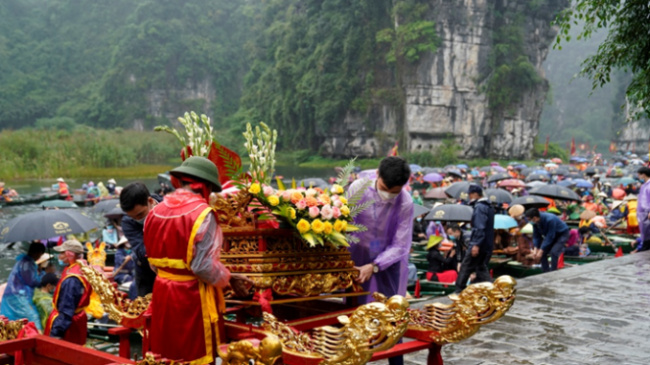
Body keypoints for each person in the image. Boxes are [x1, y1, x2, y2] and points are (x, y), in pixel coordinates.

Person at [144, 156, 251, 364]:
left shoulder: (155, 211)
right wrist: (229, 278)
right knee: (193, 354)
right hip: (190, 297)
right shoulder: (203, 213)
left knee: (166, 354)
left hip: (162, 292)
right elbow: (202, 266)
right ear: (207, 186)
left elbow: (152, 262)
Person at [346, 157, 412, 365]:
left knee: (392, 315)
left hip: (388, 259)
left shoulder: (405, 202)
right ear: (377, 175)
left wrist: (375, 265)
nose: (388, 196)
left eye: (394, 192)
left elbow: (400, 245)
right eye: (385, 189)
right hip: (356, 256)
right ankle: (355, 359)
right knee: (353, 311)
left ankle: (396, 362)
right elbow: (345, 222)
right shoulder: (358, 188)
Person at [45, 240, 92, 345]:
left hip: (69, 325)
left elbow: (66, 309)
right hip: (79, 318)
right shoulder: (83, 267)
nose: (59, 256)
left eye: (62, 253)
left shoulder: (72, 279)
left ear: (69, 254)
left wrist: (56, 333)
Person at [120, 182, 162, 297]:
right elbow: (140, 248)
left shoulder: (168, 206)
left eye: (140, 215)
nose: (137, 219)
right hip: (147, 272)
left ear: (150, 201)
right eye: (133, 217)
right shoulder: (128, 222)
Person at [454, 185, 494, 294]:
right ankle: (492, 288)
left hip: (479, 242)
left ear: (474, 194)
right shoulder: (488, 206)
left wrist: (476, 244)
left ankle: (459, 290)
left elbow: (479, 227)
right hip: (486, 243)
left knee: (466, 266)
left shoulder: (480, 207)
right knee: (481, 267)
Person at [0, 242, 46, 331]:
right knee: (33, 317)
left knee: (12, 318)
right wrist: (42, 275)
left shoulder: (23, 261)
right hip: (18, 296)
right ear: (38, 253)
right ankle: (37, 335)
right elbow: (31, 281)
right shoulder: (27, 264)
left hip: (12, 294)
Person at [525, 208, 570, 272]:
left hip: (562, 234)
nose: (529, 221)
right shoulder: (535, 223)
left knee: (554, 252)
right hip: (550, 235)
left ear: (534, 218)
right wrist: (535, 249)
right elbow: (536, 236)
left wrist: (540, 250)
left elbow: (550, 236)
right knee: (542, 254)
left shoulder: (550, 219)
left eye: (529, 220)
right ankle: (545, 271)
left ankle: (553, 271)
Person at [636, 166, 650, 251]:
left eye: (639, 175)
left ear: (643, 175)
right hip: (642, 214)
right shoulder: (644, 185)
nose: (639, 177)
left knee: (648, 233)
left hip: (647, 213)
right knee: (645, 233)